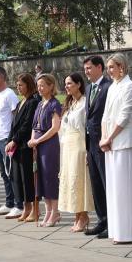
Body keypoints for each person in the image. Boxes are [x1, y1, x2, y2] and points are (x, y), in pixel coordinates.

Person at [100, 54, 132, 242]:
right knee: (113, 189)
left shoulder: (129, 86)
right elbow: (105, 115)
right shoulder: (112, 87)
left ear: (121, 67)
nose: (109, 71)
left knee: (123, 189)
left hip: (123, 142)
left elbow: (124, 116)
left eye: (111, 67)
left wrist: (110, 137)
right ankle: (115, 230)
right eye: (108, 67)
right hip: (110, 144)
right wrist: (103, 138)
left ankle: (126, 233)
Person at [57, 72, 91, 231]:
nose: (66, 86)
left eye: (69, 83)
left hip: (79, 144)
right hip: (67, 146)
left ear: (78, 84)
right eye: (65, 84)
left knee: (79, 180)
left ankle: (83, 216)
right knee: (70, 180)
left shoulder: (85, 102)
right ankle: (76, 215)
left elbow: (86, 127)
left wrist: (87, 150)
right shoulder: (69, 104)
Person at [30, 73, 63, 227]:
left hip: (49, 144)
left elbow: (55, 127)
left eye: (43, 85)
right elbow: (34, 126)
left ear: (51, 86)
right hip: (38, 144)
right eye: (38, 85)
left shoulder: (54, 104)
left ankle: (55, 211)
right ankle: (48, 210)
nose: (40, 88)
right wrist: (32, 141)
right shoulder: (39, 104)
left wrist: (38, 140)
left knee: (50, 177)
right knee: (40, 179)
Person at [82, 55, 109, 238]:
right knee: (96, 184)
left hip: (103, 142)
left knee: (107, 184)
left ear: (100, 67)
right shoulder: (89, 87)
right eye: (85, 68)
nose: (86, 71)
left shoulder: (108, 87)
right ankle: (102, 220)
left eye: (89, 68)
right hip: (90, 144)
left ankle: (112, 223)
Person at [6, 74, 40, 221]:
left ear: (29, 85)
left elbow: (27, 125)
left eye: (21, 85)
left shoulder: (33, 102)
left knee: (27, 179)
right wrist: (10, 140)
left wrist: (14, 140)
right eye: (17, 85)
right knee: (18, 178)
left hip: (25, 146)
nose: (18, 88)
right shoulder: (21, 103)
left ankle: (33, 209)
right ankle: (25, 208)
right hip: (16, 148)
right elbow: (14, 125)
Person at [0, 68, 22, 216]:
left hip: (6, 139)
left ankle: (18, 204)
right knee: (4, 172)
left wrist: (13, 138)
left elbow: (16, 117)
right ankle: (9, 202)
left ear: (2, 77)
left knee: (12, 173)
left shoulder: (9, 94)